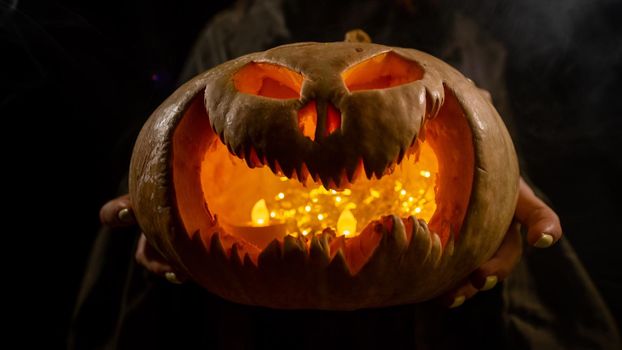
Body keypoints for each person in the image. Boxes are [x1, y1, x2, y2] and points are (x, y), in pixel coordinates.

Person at [69, 1, 621, 349]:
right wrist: (160, 208)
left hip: (423, 322)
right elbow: (180, 152)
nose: (319, 124)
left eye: (379, 86)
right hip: (244, 324)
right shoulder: (237, 30)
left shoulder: (459, 37)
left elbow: (490, 155)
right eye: (276, 87)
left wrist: (499, 197)